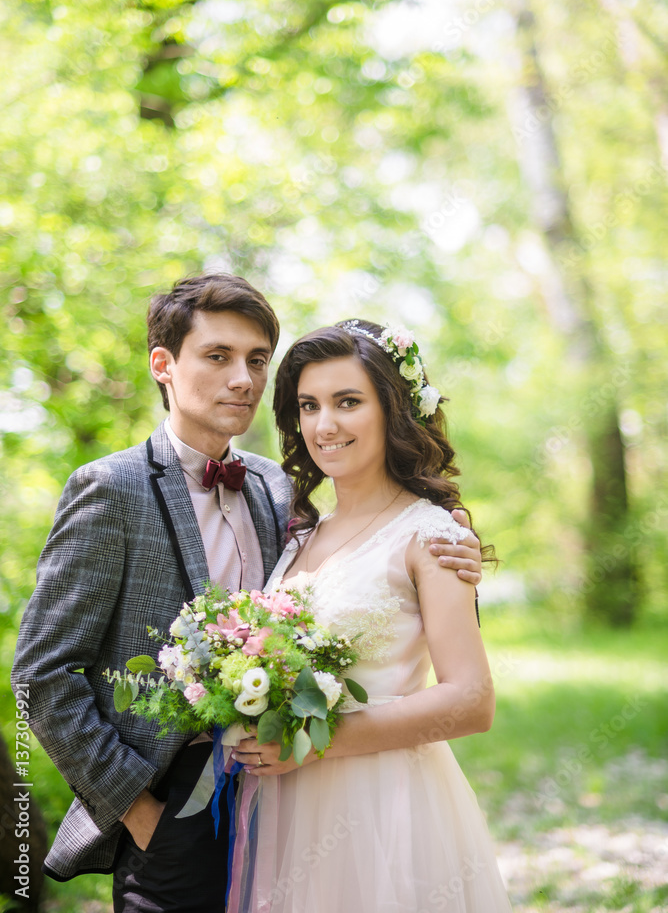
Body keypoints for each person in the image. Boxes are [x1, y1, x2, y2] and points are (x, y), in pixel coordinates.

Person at [11, 276, 483, 913]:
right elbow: (42, 673)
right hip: (173, 804)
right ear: (164, 366)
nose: (243, 379)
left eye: (257, 361)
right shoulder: (109, 489)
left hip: (293, 799)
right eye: (218, 356)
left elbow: (377, 564)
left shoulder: (280, 489)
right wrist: (138, 809)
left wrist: (454, 539)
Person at [234, 319, 512, 912]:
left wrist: (313, 743)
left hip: (382, 807)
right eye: (308, 405)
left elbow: (472, 700)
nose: (324, 424)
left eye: (348, 402)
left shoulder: (431, 535)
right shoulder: (300, 535)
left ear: (394, 411)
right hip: (287, 809)